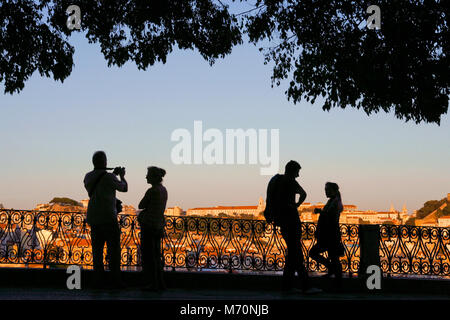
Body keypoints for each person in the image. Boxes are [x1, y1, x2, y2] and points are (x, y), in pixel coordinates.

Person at [267, 160, 320, 294]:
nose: (298, 175)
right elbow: (304, 194)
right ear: (292, 170)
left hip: (281, 220)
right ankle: (305, 286)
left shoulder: (276, 180)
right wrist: (296, 205)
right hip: (291, 219)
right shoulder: (290, 181)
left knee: (292, 254)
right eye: (297, 171)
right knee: (296, 253)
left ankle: (287, 286)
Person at [84, 151, 128, 289]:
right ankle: (115, 281)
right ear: (105, 162)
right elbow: (124, 188)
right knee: (113, 251)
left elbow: (101, 185)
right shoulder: (109, 177)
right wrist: (122, 176)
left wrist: (112, 174)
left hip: (94, 218)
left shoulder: (88, 177)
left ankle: (98, 281)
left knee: (97, 252)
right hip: (109, 218)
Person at [138, 166, 168, 291]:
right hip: (158, 225)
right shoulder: (164, 190)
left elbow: (141, 205)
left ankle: (153, 284)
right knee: (156, 255)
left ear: (154, 177)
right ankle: (159, 282)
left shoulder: (152, 191)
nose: (146, 177)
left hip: (149, 226)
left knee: (149, 256)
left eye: (148, 175)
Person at [310, 182, 345, 290]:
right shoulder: (333, 201)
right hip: (330, 234)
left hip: (330, 235)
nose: (326, 191)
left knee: (314, 253)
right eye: (325, 189)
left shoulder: (335, 202)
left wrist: (320, 211)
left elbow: (330, 216)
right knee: (334, 258)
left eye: (328, 189)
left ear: (334, 191)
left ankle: (334, 275)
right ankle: (336, 279)